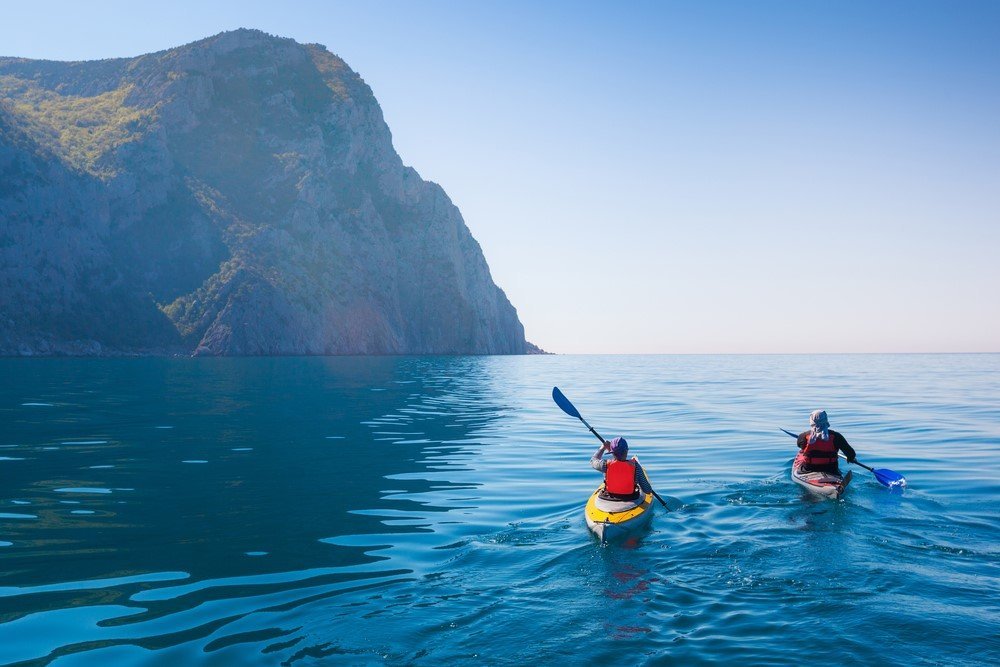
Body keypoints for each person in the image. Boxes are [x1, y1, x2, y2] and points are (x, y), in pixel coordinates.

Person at [591, 436, 653, 500]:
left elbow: (593, 461)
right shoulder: (636, 466)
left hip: (609, 497)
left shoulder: (605, 465)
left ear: (612, 452)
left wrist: (602, 448)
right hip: (630, 497)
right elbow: (647, 490)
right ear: (626, 451)